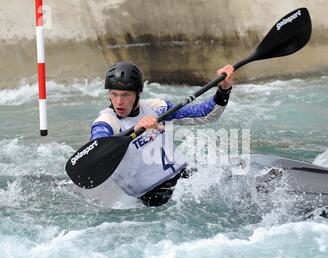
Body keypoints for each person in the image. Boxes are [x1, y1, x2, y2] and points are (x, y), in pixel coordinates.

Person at [90, 61, 234, 207]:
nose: (119, 101)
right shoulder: (106, 122)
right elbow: (97, 154)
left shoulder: (156, 108)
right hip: (155, 195)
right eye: (114, 94)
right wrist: (136, 129)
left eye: (126, 95)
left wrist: (224, 89)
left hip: (185, 180)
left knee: (234, 179)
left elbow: (205, 114)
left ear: (138, 93)